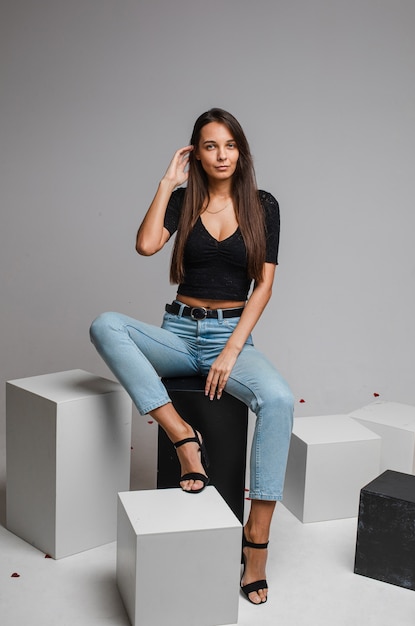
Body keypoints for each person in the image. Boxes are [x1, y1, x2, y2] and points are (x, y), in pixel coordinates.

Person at [90, 108, 294, 605]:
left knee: (280, 400)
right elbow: (145, 245)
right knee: (105, 325)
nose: (221, 155)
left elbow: (263, 287)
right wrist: (166, 182)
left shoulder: (263, 205)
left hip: (232, 337)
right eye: (209, 146)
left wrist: (230, 350)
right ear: (196, 153)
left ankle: (257, 543)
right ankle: (182, 435)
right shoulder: (184, 200)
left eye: (229, 145)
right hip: (178, 333)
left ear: (240, 150)